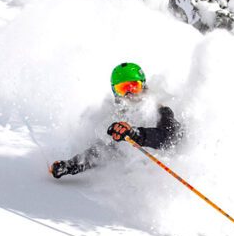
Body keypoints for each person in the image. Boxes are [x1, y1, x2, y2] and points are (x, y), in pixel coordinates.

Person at [49, 62, 183, 179]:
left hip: (164, 173)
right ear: (115, 92)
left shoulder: (160, 109)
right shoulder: (118, 116)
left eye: (133, 86)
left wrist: (136, 134)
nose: (129, 94)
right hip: (135, 179)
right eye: (123, 89)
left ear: (143, 85)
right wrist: (70, 166)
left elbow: (170, 138)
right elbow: (104, 152)